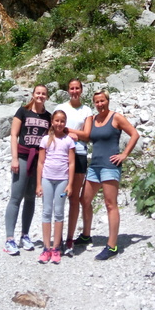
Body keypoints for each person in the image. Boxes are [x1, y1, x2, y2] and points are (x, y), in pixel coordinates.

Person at [75, 90, 139, 260]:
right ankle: (86, 234)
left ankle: (112, 245)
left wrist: (124, 154)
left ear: (107, 100)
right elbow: (88, 137)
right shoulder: (94, 120)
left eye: (102, 101)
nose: (100, 104)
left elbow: (134, 134)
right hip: (95, 165)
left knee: (110, 204)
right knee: (84, 199)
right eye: (97, 101)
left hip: (110, 166)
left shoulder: (116, 117)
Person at [4, 85, 51, 256]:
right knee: (16, 197)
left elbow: (51, 138)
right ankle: (10, 238)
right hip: (23, 156)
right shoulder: (22, 112)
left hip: (38, 160)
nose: (40, 96)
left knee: (30, 198)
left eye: (43, 94)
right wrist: (14, 158)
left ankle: (25, 235)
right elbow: (14, 135)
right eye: (38, 93)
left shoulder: (48, 116)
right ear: (33, 95)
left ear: (46, 97)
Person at [58, 79, 93, 255]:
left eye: (77, 88)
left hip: (79, 154)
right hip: (61, 154)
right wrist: (69, 132)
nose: (74, 91)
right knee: (59, 196)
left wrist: (70, 131)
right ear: (68, 90)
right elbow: (55, 127)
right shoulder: (61, 107)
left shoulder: (87, 110)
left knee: (73, 197)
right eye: (71, 88)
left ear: (81, 90)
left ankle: (70, 238)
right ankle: (57, 239)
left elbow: (87, 135)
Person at [36, 110, 75, 264]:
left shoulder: (68, 141)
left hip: (62, 181)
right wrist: (38, 183)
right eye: (57, 121)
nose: (59, 124)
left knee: (59, 212)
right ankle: (46, 248)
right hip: (47, 179)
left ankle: (56, 248)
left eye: (62, 121)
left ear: (65, 123)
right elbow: (40, 162)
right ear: (52, 122)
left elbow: (71, 163)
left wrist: (70, 184)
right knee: (46, 212)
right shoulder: (45, 139)